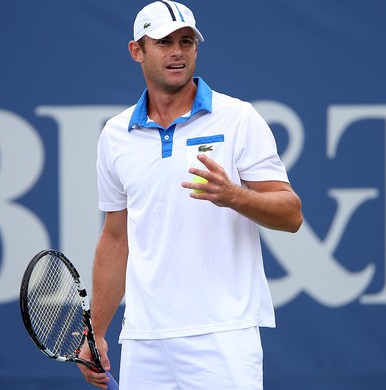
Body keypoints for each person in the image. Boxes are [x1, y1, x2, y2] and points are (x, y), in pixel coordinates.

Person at [78, 1, 303, 389]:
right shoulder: (115, 135)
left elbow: (291, 214)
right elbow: (116, 238)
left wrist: (235, 196)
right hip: (143, 340)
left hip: (223, 335)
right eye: (164, 42)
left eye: (186, 41)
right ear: (137, 51)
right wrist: (95, 331)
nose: (177, 52)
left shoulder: (238, 117)